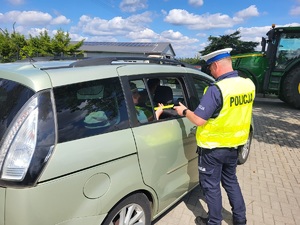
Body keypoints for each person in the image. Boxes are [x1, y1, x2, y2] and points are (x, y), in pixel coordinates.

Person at [174, 48, 255, 225]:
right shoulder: (248, 84)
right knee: (231, 182)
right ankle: (240, 219)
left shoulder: (216, 89)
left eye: (210, 67)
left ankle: (214, 222)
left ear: (217, 65)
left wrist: (184, 110)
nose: (210, 71)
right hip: (234, 146)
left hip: (212, 149)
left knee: (211, 188)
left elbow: (199, 120)